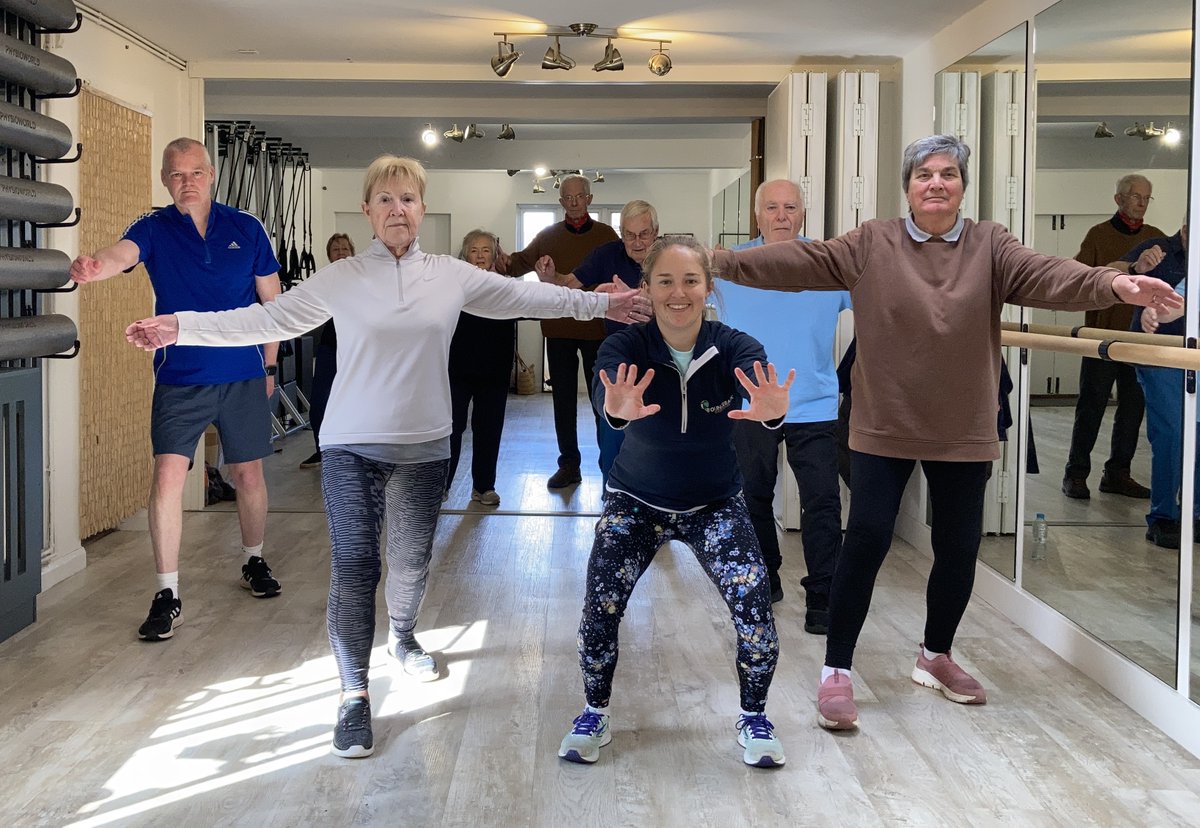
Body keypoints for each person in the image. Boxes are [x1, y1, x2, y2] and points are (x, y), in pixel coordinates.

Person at [123, 154, 650, 760]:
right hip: (350, 445)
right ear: (369, 212)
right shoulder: (342, 278)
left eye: (408, 199)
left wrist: (602, 306)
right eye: (386, 200)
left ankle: (402, 636)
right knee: (354, 567)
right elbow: (263, 318)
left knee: (410, 563)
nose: (398, 209)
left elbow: (521, 296)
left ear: (421, 210)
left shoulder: (450, 275)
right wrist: (180, 326)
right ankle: (353, 693)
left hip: (425, 446)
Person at [710, 135, 1182, 732]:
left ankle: (935, 655)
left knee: (958, 549)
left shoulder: (990, 244)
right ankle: (838, 669)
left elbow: (1048, 275)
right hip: (885, 422)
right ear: (907, 187)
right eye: (924, 174)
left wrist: (1113, 285)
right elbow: (797, 262)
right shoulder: (871, 242)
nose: (936, 182)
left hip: (962, 425)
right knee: (868, 540)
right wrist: (718, 261)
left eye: (948, 174)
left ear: (962, 186)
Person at [558, 236, 795, 769]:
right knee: (600, 607)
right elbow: (607, 395)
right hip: (636, 501)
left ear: (708, 288)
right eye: (665, 281)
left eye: (691, 280)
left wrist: (772, 413)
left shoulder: (734, 345)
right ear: (647, 289)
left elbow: (761, 391)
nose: (678, 293)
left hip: (715, 503)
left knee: (754, 604)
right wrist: (614, 410)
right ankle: (595, 711)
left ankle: (754, 716)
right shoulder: (625, 347)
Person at [69, 136, 283, 643]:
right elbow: (120, 255)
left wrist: (270, 365)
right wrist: (94, 266)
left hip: (243, 374)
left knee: (247, 472)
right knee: (167, 477)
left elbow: (271, 303)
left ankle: (254, 561)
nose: (186, 182)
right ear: (165, 180)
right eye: (176, 174)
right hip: (179, 378)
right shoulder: (154, 227)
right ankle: (167, 593)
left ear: (210, 175)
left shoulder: (247, 228)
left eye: (195, 172)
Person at [720, 179, 850, 627]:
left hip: (813, 405)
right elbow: (679, 296)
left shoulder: (830, 266)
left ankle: (823, 598)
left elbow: (882, 302)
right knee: (752, 496)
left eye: (790, 207)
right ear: (757, 217)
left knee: (822, 502)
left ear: (802, 214)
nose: (781, 215)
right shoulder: (731, 267)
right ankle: (765, 579)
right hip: (752, 403)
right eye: (771, 207)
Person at [498, 173, 619, 489]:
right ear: (561, 201)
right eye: (569, 197)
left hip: (599, 331)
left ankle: (612, 467)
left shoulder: (608, 237)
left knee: (602, 400)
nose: (575, 202)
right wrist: (494, 260)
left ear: (589, 199)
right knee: (562, 401)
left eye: (580, 196)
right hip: (559, 329)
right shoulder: (547, 236)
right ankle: (569, 465)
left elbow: (620, 278)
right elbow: (518, 264)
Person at [534, 199, 659, 484]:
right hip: (619, 356)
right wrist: (551, 277)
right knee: (613, 433)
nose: (637, 242)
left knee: (657, 441)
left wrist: (653, 307)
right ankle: (612, 502)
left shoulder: (672, 256)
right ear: (621, 233)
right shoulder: (607, 255)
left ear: (656, 231)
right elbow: (569, 285)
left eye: (644, 234)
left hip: (662, 358)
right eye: (629, 235)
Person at [1061, 174, 1165, 500]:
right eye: (1136, 196)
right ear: (1119, 199)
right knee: (1091, 407)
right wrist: (1126, 270)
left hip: (1140, 343)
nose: (1142, 202)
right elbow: (1079, 279)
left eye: (1147, 198)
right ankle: (1076, 474)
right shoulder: (1098, 235)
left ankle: (1118, 473)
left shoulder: (1156, 239)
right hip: (1101, 340)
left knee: (1132, 411)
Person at [1126, 225, 1191, 548]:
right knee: (1171, 434)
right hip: (1160, 358)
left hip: (1193, 361)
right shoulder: (1158, 249)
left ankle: (1194, 513)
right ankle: (1164, 516)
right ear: (1185, 228)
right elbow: (1176, 301)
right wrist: (1153, 313)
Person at [446, 229, 514, 506]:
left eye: (486, 250)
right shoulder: (451, 286)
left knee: (489, 429)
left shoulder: (505, 286)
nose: (480, 256)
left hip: (494, 371)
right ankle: (442, 486)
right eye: (474, 250)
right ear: (464, 255)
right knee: (450, 428)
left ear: (495, 255)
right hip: (456, 369)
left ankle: (484, 486)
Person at [300, 233, 356, 469]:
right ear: (329, 255)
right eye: (336, 249)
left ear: (352, 252)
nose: (341, 252)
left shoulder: (363, 279)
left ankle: (353, 454)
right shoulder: (324, 280)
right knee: (320, 402)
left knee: (354, 403)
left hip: (356, 349)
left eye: (345, 248)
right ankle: (322, 450)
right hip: (330, 347)